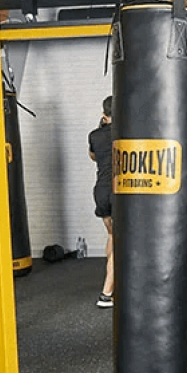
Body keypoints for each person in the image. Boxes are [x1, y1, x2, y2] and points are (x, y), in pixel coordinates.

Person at [88, 96, 114, 308]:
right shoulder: (127, 133)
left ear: (105, 115)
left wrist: (102, 126)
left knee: (113, 236)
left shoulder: (95, 135)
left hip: (101, 191)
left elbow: (94, 156)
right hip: (119, 191)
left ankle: (113, 282)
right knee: (121, 244)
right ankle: (106, 294)